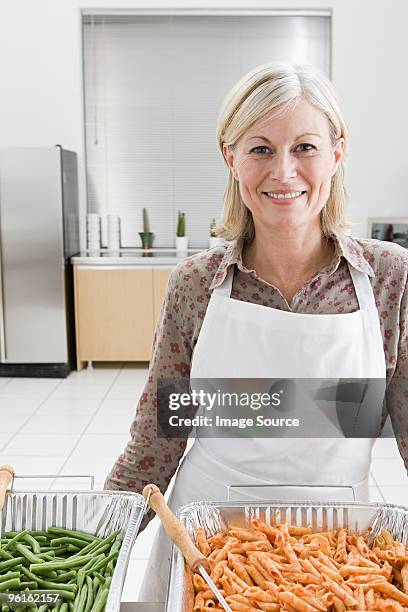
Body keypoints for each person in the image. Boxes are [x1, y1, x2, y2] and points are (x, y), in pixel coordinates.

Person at [105, 61, 408, 601]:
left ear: (337, 154)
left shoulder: (389, 279)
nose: (284, 171)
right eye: (260, 148)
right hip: (210, 558)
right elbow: (159, 438)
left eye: (306, 147)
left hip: (339, 565)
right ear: (231, 158)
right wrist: (94, 550)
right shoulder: (196, 284)